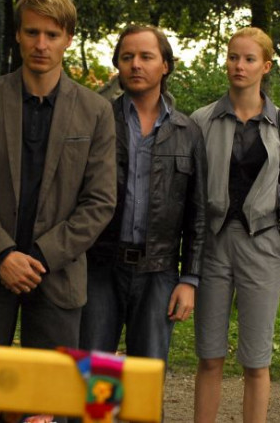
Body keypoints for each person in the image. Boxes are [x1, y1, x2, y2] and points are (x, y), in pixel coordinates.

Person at [0, 0, 117, 422]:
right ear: (18, 35)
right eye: (32, 32)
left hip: (56, 274)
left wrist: (39, 256)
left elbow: (100, 202)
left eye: (52, 35)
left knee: (49, 407)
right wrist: (3, 254)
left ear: (68, 39)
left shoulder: (96, 111)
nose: (41, 44)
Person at [190, 27, 280, 423]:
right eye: (233, 57)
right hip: (213, 247)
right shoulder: (202, 120)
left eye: (249, 59)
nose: (239, 65)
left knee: (255, 361)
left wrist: (276, 197)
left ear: (265, 67)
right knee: (209, 356)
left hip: (264, 247)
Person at [79, 25, 207, 370]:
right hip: (100, 267)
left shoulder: (188, 132)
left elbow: (198, 213)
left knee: (146, 380)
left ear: (165, 65)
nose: (136, 64)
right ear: (118, 65)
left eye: (146, 56)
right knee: (92, 375)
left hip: (158, 272)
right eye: (127, 57)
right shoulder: (98, 122)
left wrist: (189, 279)